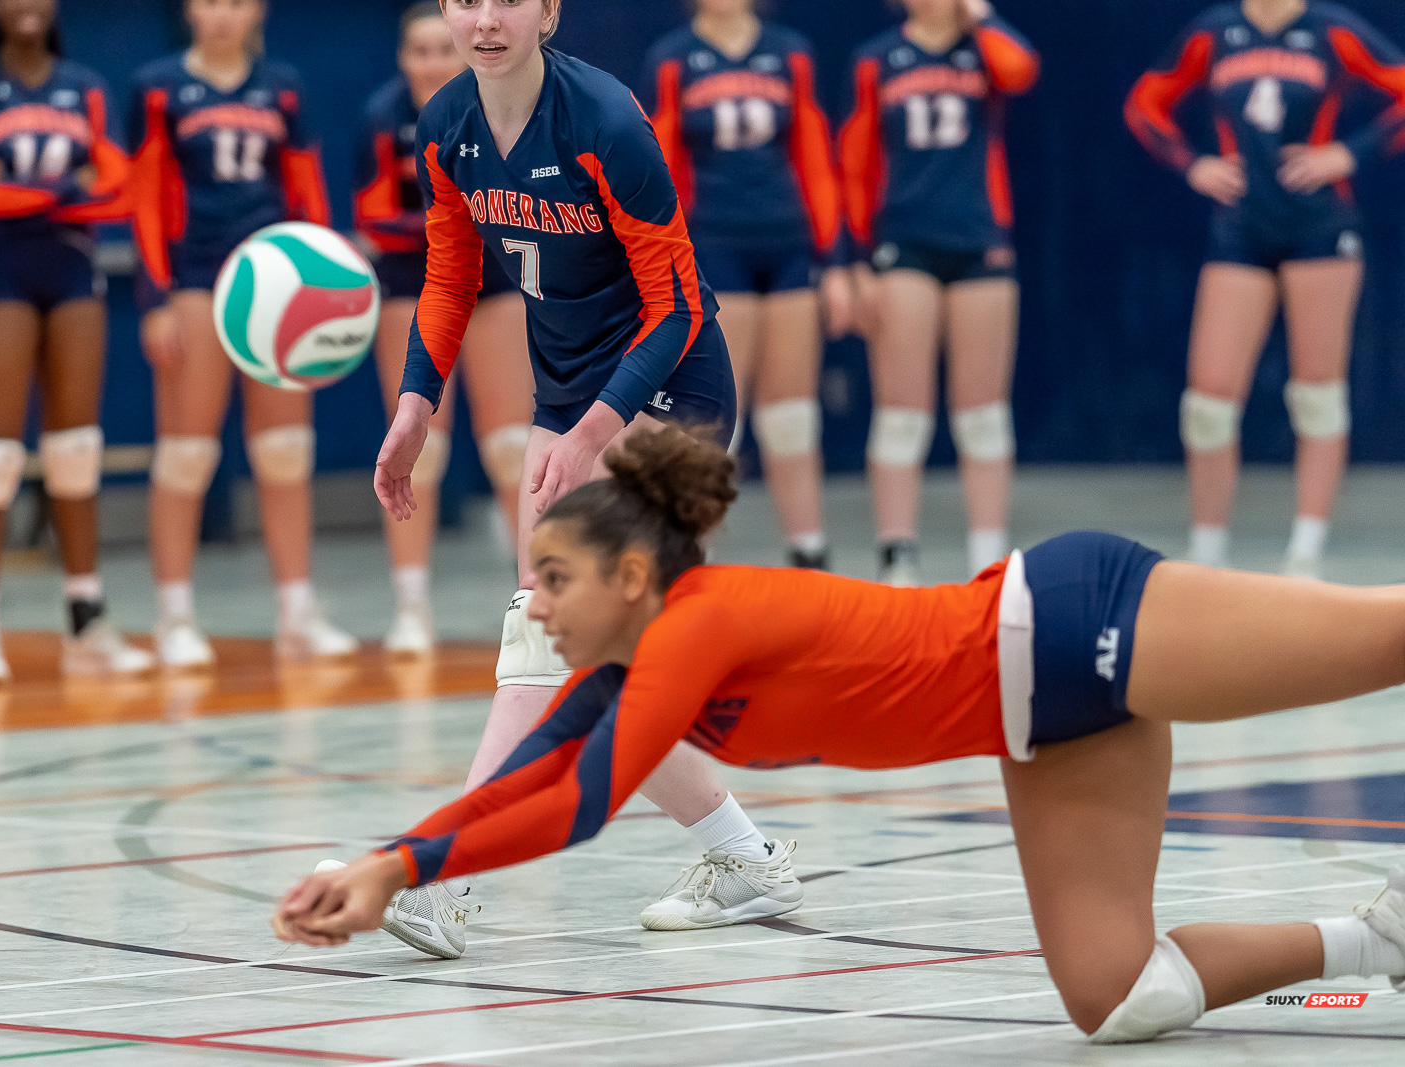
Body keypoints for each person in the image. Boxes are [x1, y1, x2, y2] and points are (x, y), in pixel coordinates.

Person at [276, 427, 1405, 1044]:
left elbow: (577, 804)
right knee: (1120, 999)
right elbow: (532, 772)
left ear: (632, 576)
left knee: (1390, 636)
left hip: (1075, 616)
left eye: (554, 580)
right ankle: (1382, 935)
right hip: (1042, 721)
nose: (539, 605)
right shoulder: (631, 660)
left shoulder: (698, 626)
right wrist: (394, 860)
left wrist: (397, 869)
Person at [366, 0, 803, 960]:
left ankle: (446, 870)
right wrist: (413, 405)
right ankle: (745, 857)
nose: (486, 18)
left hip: (668, 389)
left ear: (550, 10)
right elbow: (448, 277)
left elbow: (679, 301)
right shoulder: (445, 126)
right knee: (597, 664)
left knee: (539, 626)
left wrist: (597, 429)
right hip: (569, 401)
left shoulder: (605, 120)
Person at [1127, 0, 1405, 577]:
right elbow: (1145, 105)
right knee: (1207, 403)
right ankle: (1207, 556)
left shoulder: (1331, 30)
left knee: (1317, 395)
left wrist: (1346, 153)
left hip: (1321, 229)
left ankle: (1305, 554)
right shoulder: (1213, 33)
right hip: (1242, 230)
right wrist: (1191, 164)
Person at [129, 0, 356, 668]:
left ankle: (296, 612)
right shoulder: (156, 85)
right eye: (209, 1)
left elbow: (306, 187)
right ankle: (173, 616)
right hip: (196, 277)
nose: (222, 14)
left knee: (285, 449)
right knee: (187, 454)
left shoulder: (283, 85)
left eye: (236, 2)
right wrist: (155, 300)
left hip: (276, 278)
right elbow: (143, 196)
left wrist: (325, 278)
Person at [0, 0, 153, 685]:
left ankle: (86, 623)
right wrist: (71, 186)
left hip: (70, 267)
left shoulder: (87, 87)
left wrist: (27, 188)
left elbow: (120, 191)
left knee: (76, 449)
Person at [643, 0, 852, 569]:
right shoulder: (673, 59)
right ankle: (694, 562)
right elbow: (659, 166)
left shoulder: (790, 51)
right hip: (715, 246)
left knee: (792, 418)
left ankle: (809, 556)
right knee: (714, 417)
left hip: (787, 247)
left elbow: (814, 155)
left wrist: (833, 260)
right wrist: (666, 259)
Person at [356, 1, 535, 654]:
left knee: (514, 444)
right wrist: (446, 224)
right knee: (417, 449)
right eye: (419, 51)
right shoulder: (384, 116)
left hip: (494, 284)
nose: (433, 62)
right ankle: (411, 606)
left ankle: (534, 598)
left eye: (442, 49)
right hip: (411, 283)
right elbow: (372, 213)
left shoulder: (502, 103)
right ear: (403, 58)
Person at [840, 0, 1038, 585]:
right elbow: (854, 162)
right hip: (904, 243)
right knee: (902, 416)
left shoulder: (985, 48)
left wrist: (981, 15)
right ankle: (898, 556)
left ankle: (989, 560)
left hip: (980, 241)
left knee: (983, 417)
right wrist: (855, 262)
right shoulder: (877, 59)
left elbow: (1021, 71)